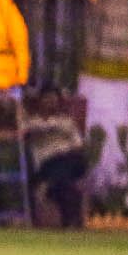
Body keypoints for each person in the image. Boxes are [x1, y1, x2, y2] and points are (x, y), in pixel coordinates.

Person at [26, 83, 89, 228]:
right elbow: (24, 132)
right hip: (46, 163)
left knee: (68, 164)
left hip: (70, 160)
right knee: (64, 184)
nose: (51, 102)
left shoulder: (67, 122)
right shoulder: (32, 122)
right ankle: (70, 220)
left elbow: (78, 145)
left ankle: (48, 185)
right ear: (40, 100)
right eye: (47, 98)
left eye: (54, 99)